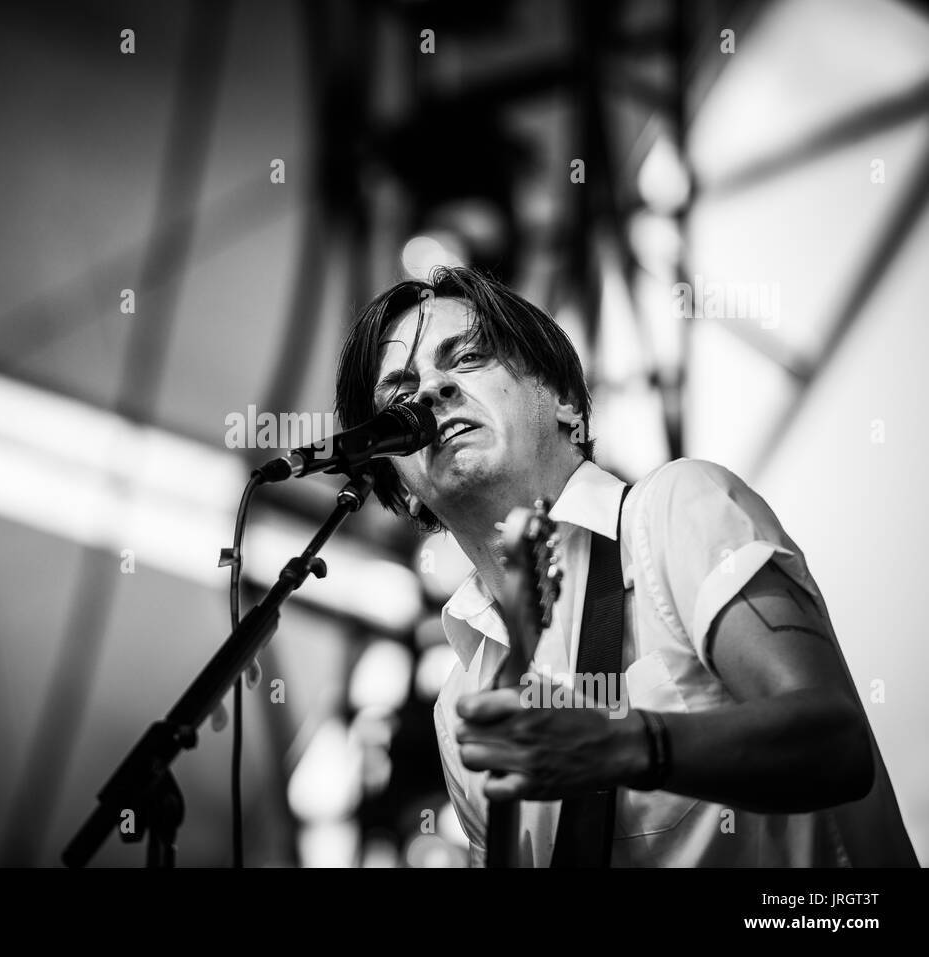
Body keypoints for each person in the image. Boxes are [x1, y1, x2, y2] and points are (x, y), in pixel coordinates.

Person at [333, 266, 918, 867]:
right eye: (399, 393)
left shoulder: (673, 509)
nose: (431, 391)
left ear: (561, 399)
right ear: (398, 485)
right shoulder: (459, 706)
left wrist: (629, 744)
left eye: (470, 357)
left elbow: (835, 745)